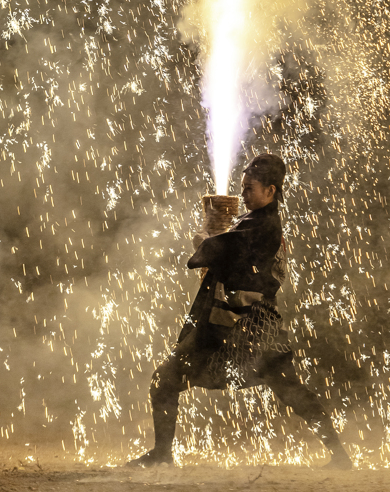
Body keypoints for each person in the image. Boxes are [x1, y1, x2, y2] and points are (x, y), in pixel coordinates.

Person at [128, 153, 352, 469]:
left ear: (270, 191)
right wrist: (213, 243)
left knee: (165, 378)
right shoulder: (256, 223)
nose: (243, 194)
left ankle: (163, 455)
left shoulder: (263, 226)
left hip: (241, 326)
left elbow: (218, 251)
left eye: (250, 188)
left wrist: (205, 241)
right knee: (288, 388)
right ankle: (340, 456)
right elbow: (229, 255)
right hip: (259, 324)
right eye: (243, 187)